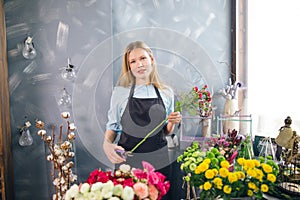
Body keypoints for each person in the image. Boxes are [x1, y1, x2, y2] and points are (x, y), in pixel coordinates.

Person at [103, 41, 182, 199]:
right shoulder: (120, 92)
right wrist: (106, 144)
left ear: (151, 59)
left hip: (159, 162)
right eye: (133, 61)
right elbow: (113, 127)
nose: (139, 64)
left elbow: (166, 131)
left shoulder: (166, 92)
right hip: (129, 162)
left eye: (143, 58)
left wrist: (172, 122)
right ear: (129, 67)